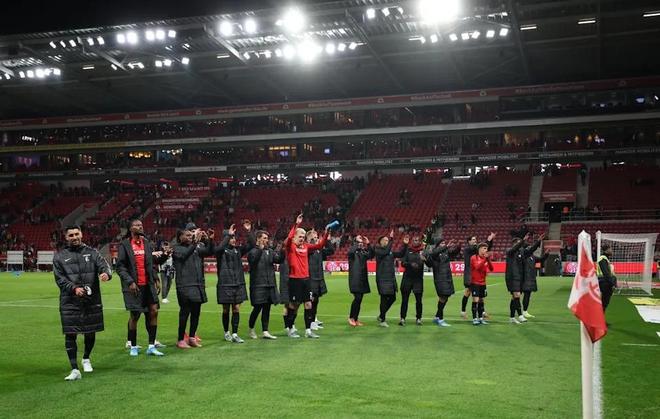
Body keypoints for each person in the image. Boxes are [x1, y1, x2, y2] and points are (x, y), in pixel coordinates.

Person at [53, 225, 112, 381]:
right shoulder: (59, 257)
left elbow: (104, 266)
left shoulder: (93, 253)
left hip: (91, 300)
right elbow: (59, 279)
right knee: (70, 333)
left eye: (76, 234)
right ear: (66, 237)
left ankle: (86, 358)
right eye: (71, 235)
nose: (74, 237)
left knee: (90, 331)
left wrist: (106, 274)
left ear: (81, 234)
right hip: (69, 301)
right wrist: (73, 288)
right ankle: (74, 369)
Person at [117, 219, 169, 356]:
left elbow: (151, 262)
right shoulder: (125, 245)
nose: (140, 227)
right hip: (134, 286)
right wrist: (130, 282)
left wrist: (164, 257)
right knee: (135, 315)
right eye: (137, 225)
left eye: (141, 225)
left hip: (148, 284)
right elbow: (120, 267)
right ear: (130, 228)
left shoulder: (147, 243)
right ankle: (133, 346)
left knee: (154, 311)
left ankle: (151, 346)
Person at [284, 213, 329, 339]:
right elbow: (289, 237)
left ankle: (308, 330)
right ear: (294, 237)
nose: (302, 238)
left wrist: (326, 234)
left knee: (308, 304)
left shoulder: (306, 246)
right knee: (294, 305)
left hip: (306, 279)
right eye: (300, 236)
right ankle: (290, 328)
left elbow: (320, 245)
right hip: (294, 280)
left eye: (303, 237)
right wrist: (296, 224)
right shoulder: (290, 247)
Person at [172, 224, 214, 349]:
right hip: (184, 285)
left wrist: (209, 240)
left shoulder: (195, 248)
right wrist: (195, 242)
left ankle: (191, 337)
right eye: (187, 235)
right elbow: (184, 255)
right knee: (185, 312)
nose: (190, 237)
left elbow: (209, 252)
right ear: (180, 237)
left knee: (196, 312)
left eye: (191, 235)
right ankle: (180, 339)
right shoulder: (176, 248)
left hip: (197, 284)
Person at [213, 221, 253, 344]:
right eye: (231, 238)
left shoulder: (238, 250)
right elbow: (219, 248)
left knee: (236, 309)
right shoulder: (220, 251)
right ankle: (226, 332)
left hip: (237, 283)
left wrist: (248, 231)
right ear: (226, 238)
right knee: (226, 309)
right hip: (225, 284)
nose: (234, 240)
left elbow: (252, 244)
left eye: (234, 237)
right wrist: (228, 235)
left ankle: (235, 334)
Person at [247, 230, 283, 340]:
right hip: (258, 285)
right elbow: (253, 262)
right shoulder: (253, 251)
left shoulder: (270, 251)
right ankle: (251, 328)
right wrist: (260, 249)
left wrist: (283, 251)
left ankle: (265, 331)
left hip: (269, 284)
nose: (266, 240)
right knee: (257, 308)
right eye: (264, 238)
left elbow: (279, 260)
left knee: (267, 308)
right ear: (258, 239)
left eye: (267, 238)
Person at [374, 230, 408, 327]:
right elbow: (385, 251)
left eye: (387, 240)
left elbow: (401, 254)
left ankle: (381, 315)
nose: (387, 241)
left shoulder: (390, 252)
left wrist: (405, 245)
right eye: (385, 240)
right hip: (382, 278)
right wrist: (392, 239)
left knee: (393, 298)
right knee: (384, 299)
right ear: (380, 242)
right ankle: (383, 320)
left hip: (390, 278)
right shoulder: (378, 250)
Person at [460, 233, 495, 320]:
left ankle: (481, 312)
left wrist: (490, 241)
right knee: (468, 292)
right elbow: (479, 248)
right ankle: (463, 311)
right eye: (473, 239)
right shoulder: (467, 249)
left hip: (476, 274)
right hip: (469, 274)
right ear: (469, 241)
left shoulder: (476, 249)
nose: (475, 241)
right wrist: (488, 240)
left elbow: (485, 249)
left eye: (475, 239)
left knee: (479, 295)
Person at [426, 238, 459, 327]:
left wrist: (458, 246)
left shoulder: (445, 252)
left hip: (447, 278)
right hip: (440, 278)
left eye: (444, 243)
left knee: (445, 297)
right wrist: (446, 246)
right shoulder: (435, 253)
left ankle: (437, 317)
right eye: (442, 243)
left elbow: (454, 253)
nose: (444, 244)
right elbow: (433, 253)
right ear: (438, 245)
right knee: (443, 297)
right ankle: (440, 319)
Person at [307, 229, 334, 330]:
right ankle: (310, 322)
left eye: (316, 237)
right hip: (310, 279)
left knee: (316, 301)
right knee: (311, 301)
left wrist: (328, 240)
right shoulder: (307, 249)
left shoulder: (319, 250)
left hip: (318, 278)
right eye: (313, 237)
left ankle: (314, 319)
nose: (315, 238)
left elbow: (331, 251)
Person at [347, 235, 375, 326]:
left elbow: (372, 254)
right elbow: (351, 251)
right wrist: (357, 242)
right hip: (355, 279)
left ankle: (356, 318)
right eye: (359, 240)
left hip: (362, 278)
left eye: (361, 241)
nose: (361, 242)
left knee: (360, 300)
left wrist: (368, 244)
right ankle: (351, 317)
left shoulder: (363, 252)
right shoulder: (352, 252)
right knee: (357, 298)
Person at [399, 235, 426, 326]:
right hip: (407, 278)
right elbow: (403, 263)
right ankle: (402, 318)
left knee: (419, 300)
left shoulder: (423, 251)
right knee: (404, 300)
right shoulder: (407, 250)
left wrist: (425, 259)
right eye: (414, 240)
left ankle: (419, 318)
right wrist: (411, 264)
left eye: (417, 240)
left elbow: (429, 263)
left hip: (418, 279)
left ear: (420, 242)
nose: (415, 241)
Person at [521, 233, 548, 319]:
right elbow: (532, 248)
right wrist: (538, 241)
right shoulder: (524, 256)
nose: (530, 249)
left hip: (531, 278)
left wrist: (546, 254)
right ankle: (522, 312)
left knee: (528, 295)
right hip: (525, 278)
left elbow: (541, 260)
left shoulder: (532, 257)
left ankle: (524, 311)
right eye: (529, 248)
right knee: (523, 295)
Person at [505, 235, 527, 325]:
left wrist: (538, 242)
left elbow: (529, 251)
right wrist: (522, 241)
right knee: (517, 295)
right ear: (514, 244)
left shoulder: (520, 253)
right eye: (518, 243)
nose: (520, 245)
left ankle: (512, 317)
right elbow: (514, 249)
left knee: (514, 297)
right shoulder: (509, 251)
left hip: (519, 277)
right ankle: (520, 315)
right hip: (512, 277)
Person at [470, 243, 494, 325]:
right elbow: (477, 267)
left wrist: (488, 260)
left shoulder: (485, 258)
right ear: (479, 249)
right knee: (475, 300)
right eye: (484, 248)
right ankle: (474, 319)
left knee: (481, 301)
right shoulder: (474, 257)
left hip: (483, 283)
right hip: (475, 282)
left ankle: (480, 318)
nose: (486, 250)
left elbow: (491, 269)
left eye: (486, 248)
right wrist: (485, 259)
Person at [597, 244, 617, 313]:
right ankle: (600, 318)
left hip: (604, 281)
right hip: (605, 282)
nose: (612, 250)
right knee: (604, 302)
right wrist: (612, 283)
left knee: (604, 303)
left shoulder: (604, 259)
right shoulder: (603, 259)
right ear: (607, 250)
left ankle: (600, 317)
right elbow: (606, 273)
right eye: (610, 249)